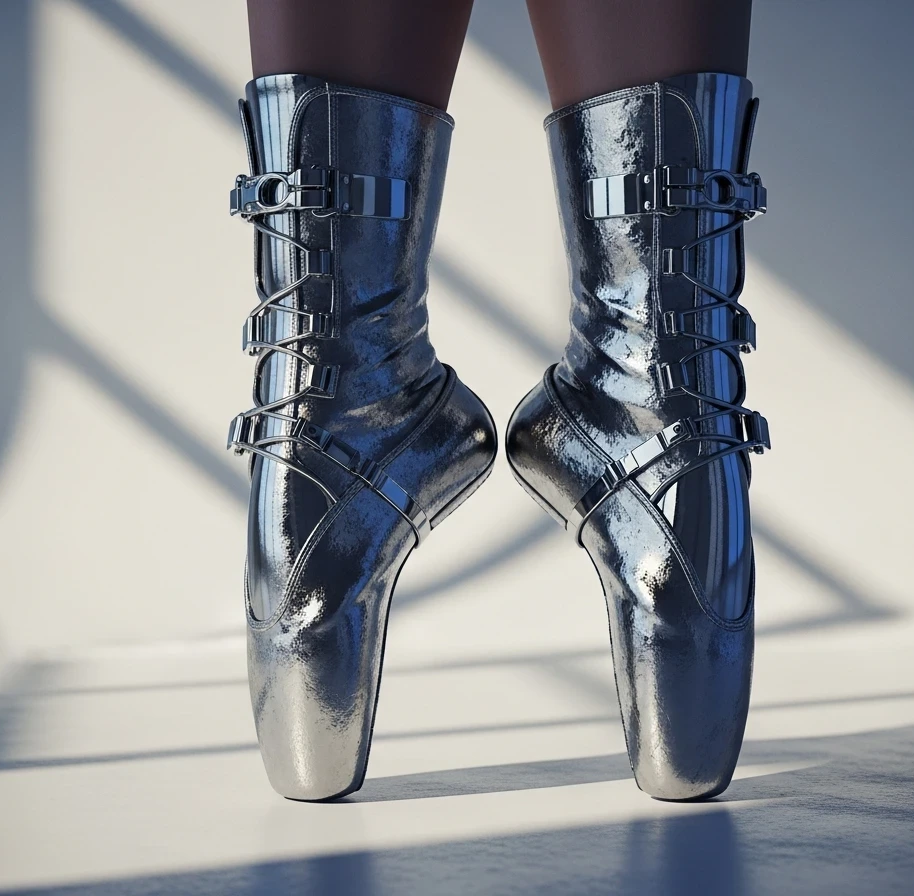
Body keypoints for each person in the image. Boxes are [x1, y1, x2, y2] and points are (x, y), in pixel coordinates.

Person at [229, 0, 767, 802]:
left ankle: (334, 451)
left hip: (319, 459)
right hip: (679, 466)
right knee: (670, 349)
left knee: (328, 348)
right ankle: (660, 440)